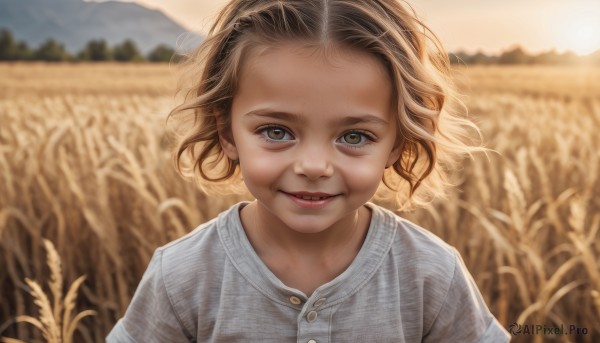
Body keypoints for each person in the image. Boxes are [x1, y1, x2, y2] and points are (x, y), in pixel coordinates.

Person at [107, 0, 510, 342]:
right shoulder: (182, 278)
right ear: (226, 132)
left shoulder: (431, 274)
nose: (314, 166)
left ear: (398, 142)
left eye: (354, 137)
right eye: (276, 131)